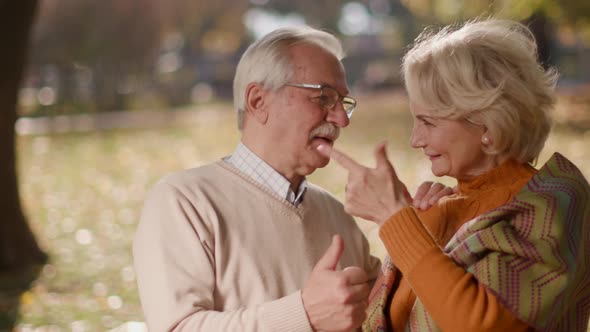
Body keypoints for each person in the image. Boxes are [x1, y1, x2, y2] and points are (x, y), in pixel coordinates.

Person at [133, 26, 451, 332]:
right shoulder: (183, 201)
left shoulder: (335, 212)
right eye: (324, 97)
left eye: (344, 103)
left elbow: (383, 317)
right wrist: (305, 314)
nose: (341, 118)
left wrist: (417, 231)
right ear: (258, 101)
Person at [318, 18, 590, 332]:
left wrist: (393, 218)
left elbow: (479, 324)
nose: (415, 140)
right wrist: (425, 227)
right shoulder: (447, 207)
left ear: (486, 123)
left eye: (428, 123)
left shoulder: (556, 202)